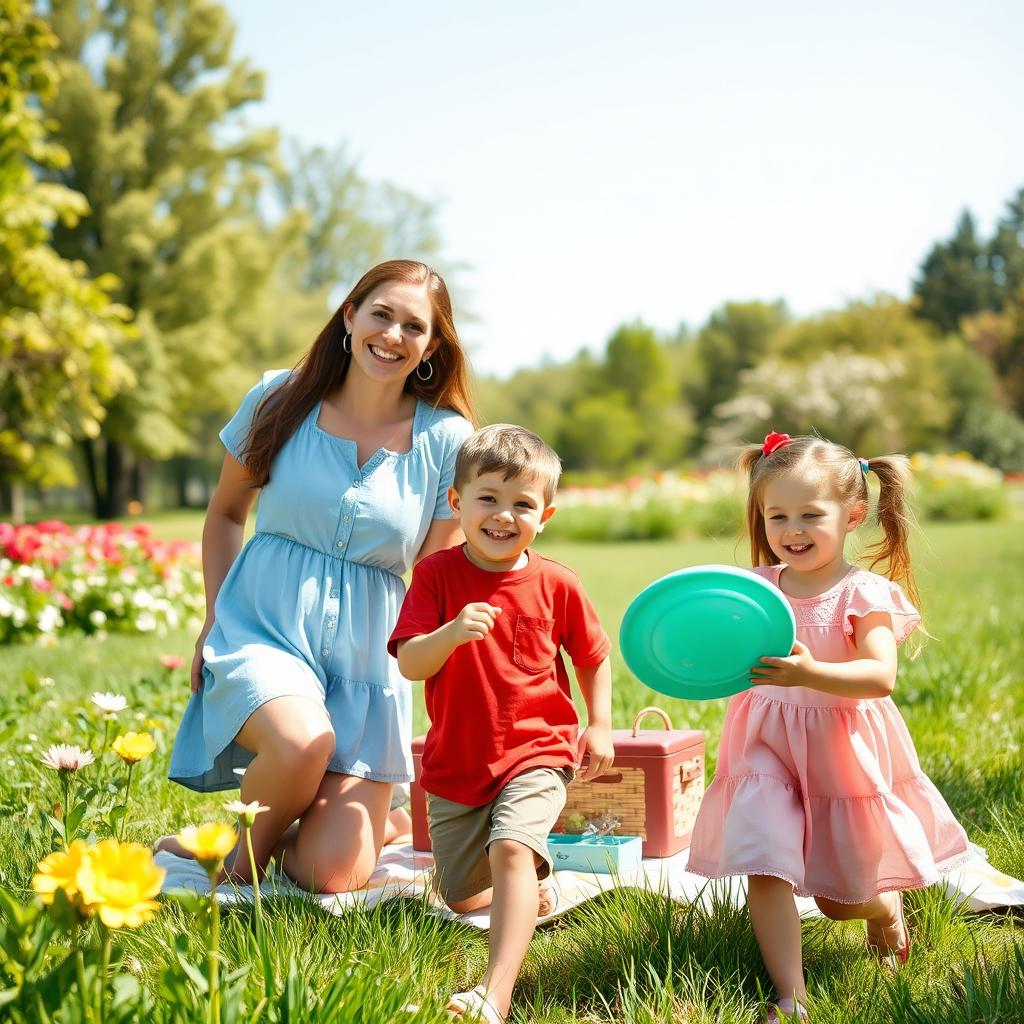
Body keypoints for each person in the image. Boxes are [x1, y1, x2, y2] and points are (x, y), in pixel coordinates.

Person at [164, 260, 476, 893]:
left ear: (433, 346)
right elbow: (226, 514)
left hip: (367, 662)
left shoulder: (446, 438)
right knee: (303, 743)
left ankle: (351, 823)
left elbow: (438, 573)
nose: (392, 334)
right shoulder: (281, 398)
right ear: (349, 316)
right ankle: (229, 865)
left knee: (333, 874)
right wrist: (212, 619)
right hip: (263, 631)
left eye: (413, 325)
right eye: (380, 314)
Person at [686, 432, 970, 1024]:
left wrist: (812, 671)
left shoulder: (862, 594)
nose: (792, 529)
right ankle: (791, 997)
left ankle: (884, 909)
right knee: (763, 858)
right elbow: (716, 648)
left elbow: (880, 676)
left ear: (854, 515)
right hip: (764, 743)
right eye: (777, 515)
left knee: (838, 902)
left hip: (839, 746)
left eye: (811, 515)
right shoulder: (757, 590)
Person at [388, 425, 614, 1024]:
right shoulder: (436, 577)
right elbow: (410, 662)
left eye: (523, 504)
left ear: (546, 514)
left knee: (513, 848)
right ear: (458, 503)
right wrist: (450, 632)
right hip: (458, 761)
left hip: (537, 749)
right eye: (488, 498)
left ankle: (495, 993)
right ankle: (528, 891)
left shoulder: (558, 581)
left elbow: (592, 657)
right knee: (462, 895)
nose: (504, 515)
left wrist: (599, 726)